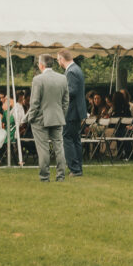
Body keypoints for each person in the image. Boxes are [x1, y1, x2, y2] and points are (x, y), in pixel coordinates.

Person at [30, 54, 70, 181]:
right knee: (59, 148)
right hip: (57, 117)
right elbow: (66, 101)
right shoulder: (63, 78)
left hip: (40, 120)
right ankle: (61, 176)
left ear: (41, 65)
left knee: (43, 149)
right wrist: (61, 114)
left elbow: (34, 103)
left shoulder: (37, 79)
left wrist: (30, 118)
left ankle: (45, 176)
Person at [57, 48, 87, 177]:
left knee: (67, 138)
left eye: (58, 59)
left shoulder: (71, 71)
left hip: (71, 111)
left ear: (62, 59)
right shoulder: (76, 69)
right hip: (76, 111)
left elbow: (72, 91)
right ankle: (78, 167)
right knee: (75, 139)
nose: (58, 62)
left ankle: (74, 169)